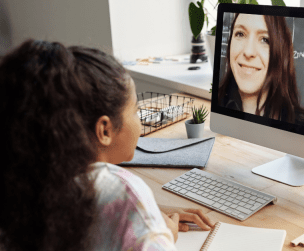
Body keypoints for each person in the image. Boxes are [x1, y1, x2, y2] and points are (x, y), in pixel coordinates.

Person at [0, 39, 215, 251]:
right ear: (104, 130)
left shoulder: (26, 183)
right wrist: (163, 235)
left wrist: (146, 213)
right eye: (134, 111)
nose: (138, 120)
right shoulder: (122, 191)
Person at [218, 14, 304, 131]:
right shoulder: (214, 108)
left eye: (265, 40)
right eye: (240, 34)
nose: (248, 52)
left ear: (281, 55)